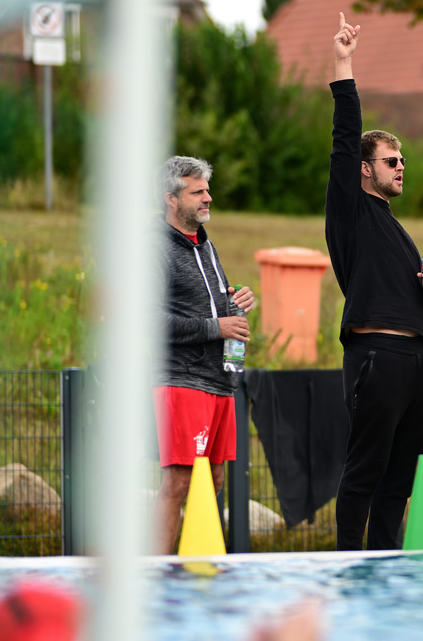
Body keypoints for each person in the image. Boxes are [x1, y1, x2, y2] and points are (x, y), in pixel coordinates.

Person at [326, 13, 423, 550]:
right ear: (363, 168)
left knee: (400, 483)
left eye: (403, 160)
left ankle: (384, 569)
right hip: (378, 356)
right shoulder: (350, 211)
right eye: (391, 161)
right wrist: (345, 63)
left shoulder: (397, 230)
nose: (401, 167)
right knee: (366, 471)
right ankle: (347, 567)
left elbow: (414, 292)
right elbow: (345, 132)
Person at [154, 155, 255, 555]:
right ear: (171, 200)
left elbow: (213, 308)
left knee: (212, 481)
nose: (208, 198)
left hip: (219, 380)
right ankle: (152, 577)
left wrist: (237, 302)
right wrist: (218, 327)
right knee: (179, 481)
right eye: (197, 192)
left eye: (207, 189)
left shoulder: (206, 245)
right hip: (181, 380)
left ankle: (201, 576)